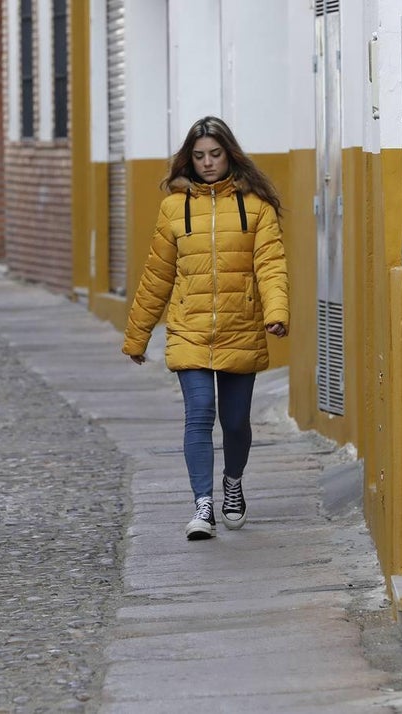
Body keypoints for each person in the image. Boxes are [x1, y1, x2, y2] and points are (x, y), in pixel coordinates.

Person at [122, 116, 289, 541]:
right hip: (189, 329)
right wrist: (138, 335)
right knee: (198, 416)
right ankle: (203, 504)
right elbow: (157, 274)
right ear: (188, 160)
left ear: (229, 154)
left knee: (235, 423)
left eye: (215, 154)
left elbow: (270, 265)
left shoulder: (256, 207)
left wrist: (277, 312)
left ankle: (233, 483)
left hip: (241, 325)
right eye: (199, 156)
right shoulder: (174, 209)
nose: (207, 163)